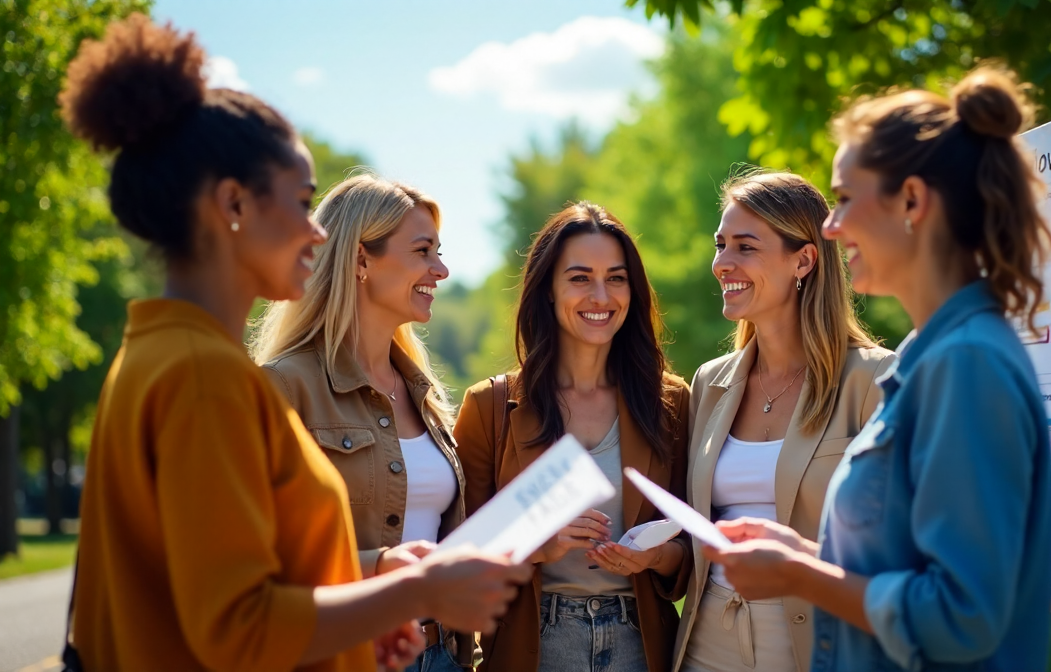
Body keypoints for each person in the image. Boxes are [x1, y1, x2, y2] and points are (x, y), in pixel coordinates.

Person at [62, 15, 528, 672]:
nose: (317, 233)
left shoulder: (159, 352)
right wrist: (415, 590)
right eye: (303, 202)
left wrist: (370, 610)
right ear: (233, 205)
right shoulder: (204, 375)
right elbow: (238, 628)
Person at [704, 66, 1051, 671]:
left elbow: (960, 616)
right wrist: (805, 556)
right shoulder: (932, 356)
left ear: (913, 202)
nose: (833, 227)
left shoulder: (965, 365)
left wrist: (801, 575)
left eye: (843, 200)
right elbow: (908, 566)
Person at [454, 202, 691, 672]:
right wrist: (543, 545)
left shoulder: (671, 402)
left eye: (616, 278)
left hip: (640, 644)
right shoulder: (490, 407)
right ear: (547, 290)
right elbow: (461, 557)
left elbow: (689, 550)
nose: (600, 296)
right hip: (533, 642)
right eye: (580, 278)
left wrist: (653, 556)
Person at [252, 174, 474, 671]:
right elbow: (258, 559)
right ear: (360, 260)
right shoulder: (284, 387)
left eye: (439, 251)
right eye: (423, 251)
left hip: (439, 655)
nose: (440, 269)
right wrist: (379, 566)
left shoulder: (427, 397)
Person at [674, 171, 893, 672]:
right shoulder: (710, 383)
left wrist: (797, 563)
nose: (722, 263)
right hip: (708, 639)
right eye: (720, 244)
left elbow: (896, 547)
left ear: (804, 260)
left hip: (818, 643)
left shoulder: (874, 379)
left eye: (745, 247)